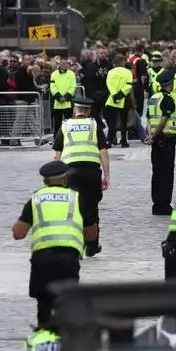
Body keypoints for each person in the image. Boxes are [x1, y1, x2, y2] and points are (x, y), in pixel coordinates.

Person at [13, 161, 97, 327]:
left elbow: (18, 233)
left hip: (42, 259)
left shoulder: (36, 199)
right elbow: (92, 234)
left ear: (45, 181)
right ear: (66, 179)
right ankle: (66, 340)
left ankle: (45, 339)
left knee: (44, 305)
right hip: (68, 259)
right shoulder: (77, 198)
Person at [53, 92, 110, 257]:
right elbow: (103, 152)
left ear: (74, 109)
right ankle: (92, 245)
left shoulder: (65, 126)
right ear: (89, 111)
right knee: (91, 209)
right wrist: (107, 175)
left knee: (72, 209)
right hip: (91, 173)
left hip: (70, 173)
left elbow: (56, 154)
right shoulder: (94, 126)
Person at [146, 69, 176, 216]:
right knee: (166, 174)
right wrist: (154, 136)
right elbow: (163, 120)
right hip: (165, 141)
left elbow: (148, 118)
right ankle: (164, 205)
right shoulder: (167, 99)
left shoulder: (154, 97)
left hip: (156, 141)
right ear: (170, 84)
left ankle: (157, 205)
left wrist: (150, 135)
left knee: (157, 174)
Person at [104, 58, 133, 148]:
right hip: (124, 99)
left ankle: (109, 140)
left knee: (112, 121)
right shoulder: (128, 72)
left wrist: (115, 95)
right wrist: (121, 94)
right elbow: (128, 85)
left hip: (113, 99)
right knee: (123, 121)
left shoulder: (110, 72)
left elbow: (109, 84)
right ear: (123, 63)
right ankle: (123, 140)